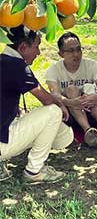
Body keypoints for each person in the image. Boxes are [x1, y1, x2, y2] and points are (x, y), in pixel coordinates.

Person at [0, 25, 73, 184]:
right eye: (36, 46)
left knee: (24, 114)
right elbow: (46, 99)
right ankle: (34, 170)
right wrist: (61, 105)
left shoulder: (3, 60)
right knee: (53, 112)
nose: (39, 52)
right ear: (23, 47)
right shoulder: (16, 65)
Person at [45, 32, 97, 147]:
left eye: (79, 49)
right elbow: (55, 94)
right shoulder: (54, 70)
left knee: (93, 94)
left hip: (92, 111)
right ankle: (87, 131)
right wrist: (71, 102)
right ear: (61, 54)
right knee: (71, 90)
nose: (76, 54)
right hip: (69, 114)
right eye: (71, 51)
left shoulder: (92, 65)